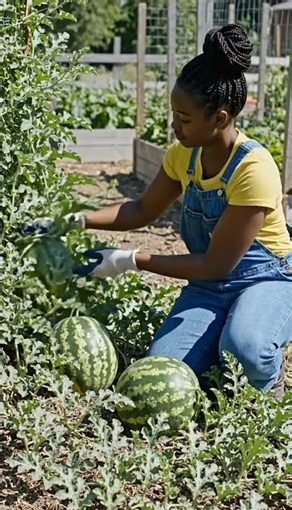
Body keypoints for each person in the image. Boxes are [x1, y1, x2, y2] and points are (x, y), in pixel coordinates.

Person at [21, 24, 292, 398]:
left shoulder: (253, 169)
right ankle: (226, 335)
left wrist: (132, 259)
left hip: (266, 279)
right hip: (209, 288)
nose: (173, 126)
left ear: (220, 118)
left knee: (246, 348)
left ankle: (267, 372)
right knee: (162, 366)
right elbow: (141, 210)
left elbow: (217, 264)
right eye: (173, 115)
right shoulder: (184, 155)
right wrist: (74, 219)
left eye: (184, 119)